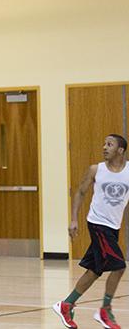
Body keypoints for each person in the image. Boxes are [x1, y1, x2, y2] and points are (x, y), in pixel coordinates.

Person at [53, 134, 129, 329]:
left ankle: (66, 304)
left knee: (95, 271)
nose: (104, 147)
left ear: (120, 150)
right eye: (104, 143)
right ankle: (105, 310)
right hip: (97, 223)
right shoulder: (96, 170)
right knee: (119, 266)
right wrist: (73, 220)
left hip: (113, 227)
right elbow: (80, 192)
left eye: (110, 145)